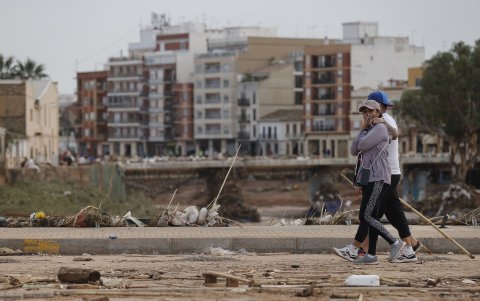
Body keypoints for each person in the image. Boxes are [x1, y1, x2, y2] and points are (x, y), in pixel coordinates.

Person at [333, 92, 421, 264]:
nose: (367, 114)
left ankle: (364, 248)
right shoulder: (374, 125)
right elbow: (356, 150)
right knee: (387, 214)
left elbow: (369, 143)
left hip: (383, 174)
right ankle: (405, 247)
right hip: (380, 174)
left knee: (370, 215)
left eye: (371, 110)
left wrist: (370, 127)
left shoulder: (383, 122)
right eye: (364, 111)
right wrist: (364, 128)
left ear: (379, 109)